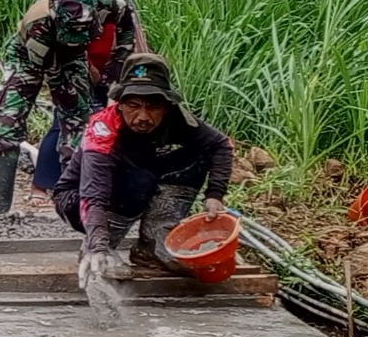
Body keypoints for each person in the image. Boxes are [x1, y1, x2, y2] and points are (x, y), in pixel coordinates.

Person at [55, 54, 234, 283]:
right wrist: (98, 246)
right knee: (138, 182)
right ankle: (103, 249)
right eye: (133, 106)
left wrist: (215, 195)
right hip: (79, 198)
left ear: (166, 107)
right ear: (120, 104)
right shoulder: (103, 133)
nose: (143, 116)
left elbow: (220, 145)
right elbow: (93, 197)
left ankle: (154, 245)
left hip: (140, 175)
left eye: (153, 107)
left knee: (195, 157)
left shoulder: (179, 120)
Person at [0, 0, 136, 215]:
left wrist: (118, 62)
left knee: (77, 124)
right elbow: (46, 70)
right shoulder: (39, 21)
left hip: (72, 57)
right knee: (11, 123)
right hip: (28, 57)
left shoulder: (106, 1)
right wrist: (70, 84)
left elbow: (126, 23)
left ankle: (71, 204)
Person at [30, 0, 147, 205]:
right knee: (68, 122)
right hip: (74, 67)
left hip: (105, 68)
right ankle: (48, 187)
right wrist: (84, 66)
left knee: (86, 123)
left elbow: (126, 32)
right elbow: (67, 36)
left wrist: (128, 69)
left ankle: (64, 187)